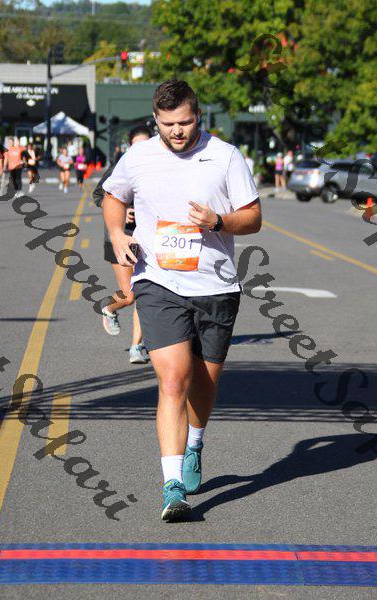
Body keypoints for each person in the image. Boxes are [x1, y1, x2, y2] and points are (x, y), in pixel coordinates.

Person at [102, 79, 261, 521]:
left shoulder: (225, 156)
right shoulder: (138, 156)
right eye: (168, 123)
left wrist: (219, 220)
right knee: (174, 379)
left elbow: (253, 217)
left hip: (216, 286)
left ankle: (195, 443)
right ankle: (172, 486)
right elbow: (113, 196)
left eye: (186, 122)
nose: (177, 131)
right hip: (158, 281)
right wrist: (116, 233)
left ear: (199, 117)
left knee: (203, 386)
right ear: (155, 119)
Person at [93, 125, 152, 364]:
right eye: (137, 145)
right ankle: (109, 308)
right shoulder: (121, 166)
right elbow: (99, 195)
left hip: (148, 239)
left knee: (145, 292)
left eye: (146, 145)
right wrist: (123, 210)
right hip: (120, 237)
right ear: (129, 146)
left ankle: (137, 346)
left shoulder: (159, 167)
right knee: (129, 295)